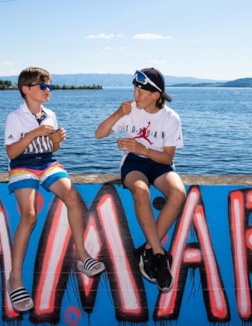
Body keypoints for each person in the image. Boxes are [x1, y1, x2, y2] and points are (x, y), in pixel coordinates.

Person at [4, 67, 105, 311]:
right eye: (43, 86)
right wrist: (34, 133)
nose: (48, 90)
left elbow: (54, 149)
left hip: (47, 162)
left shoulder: (50, 114)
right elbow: (11, 152)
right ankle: (14, 278)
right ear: (26, 90)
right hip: (22, 165)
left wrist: (57, 139)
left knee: (72, 196)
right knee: (29, 215)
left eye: (49, 86)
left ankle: (81, 255)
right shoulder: (14, 117)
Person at [94, 68, 186, 292]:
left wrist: (143, 148)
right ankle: (157, 254)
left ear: (156, 95)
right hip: (134, 162)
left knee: (178, 194)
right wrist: (118, 113)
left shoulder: (171, 118)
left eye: (141, 92)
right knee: (141, 191)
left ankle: (146, 250)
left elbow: (168, 157)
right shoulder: (130, 111)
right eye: (135, 89)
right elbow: (99, 133)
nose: (135, 95)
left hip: (159, 162)